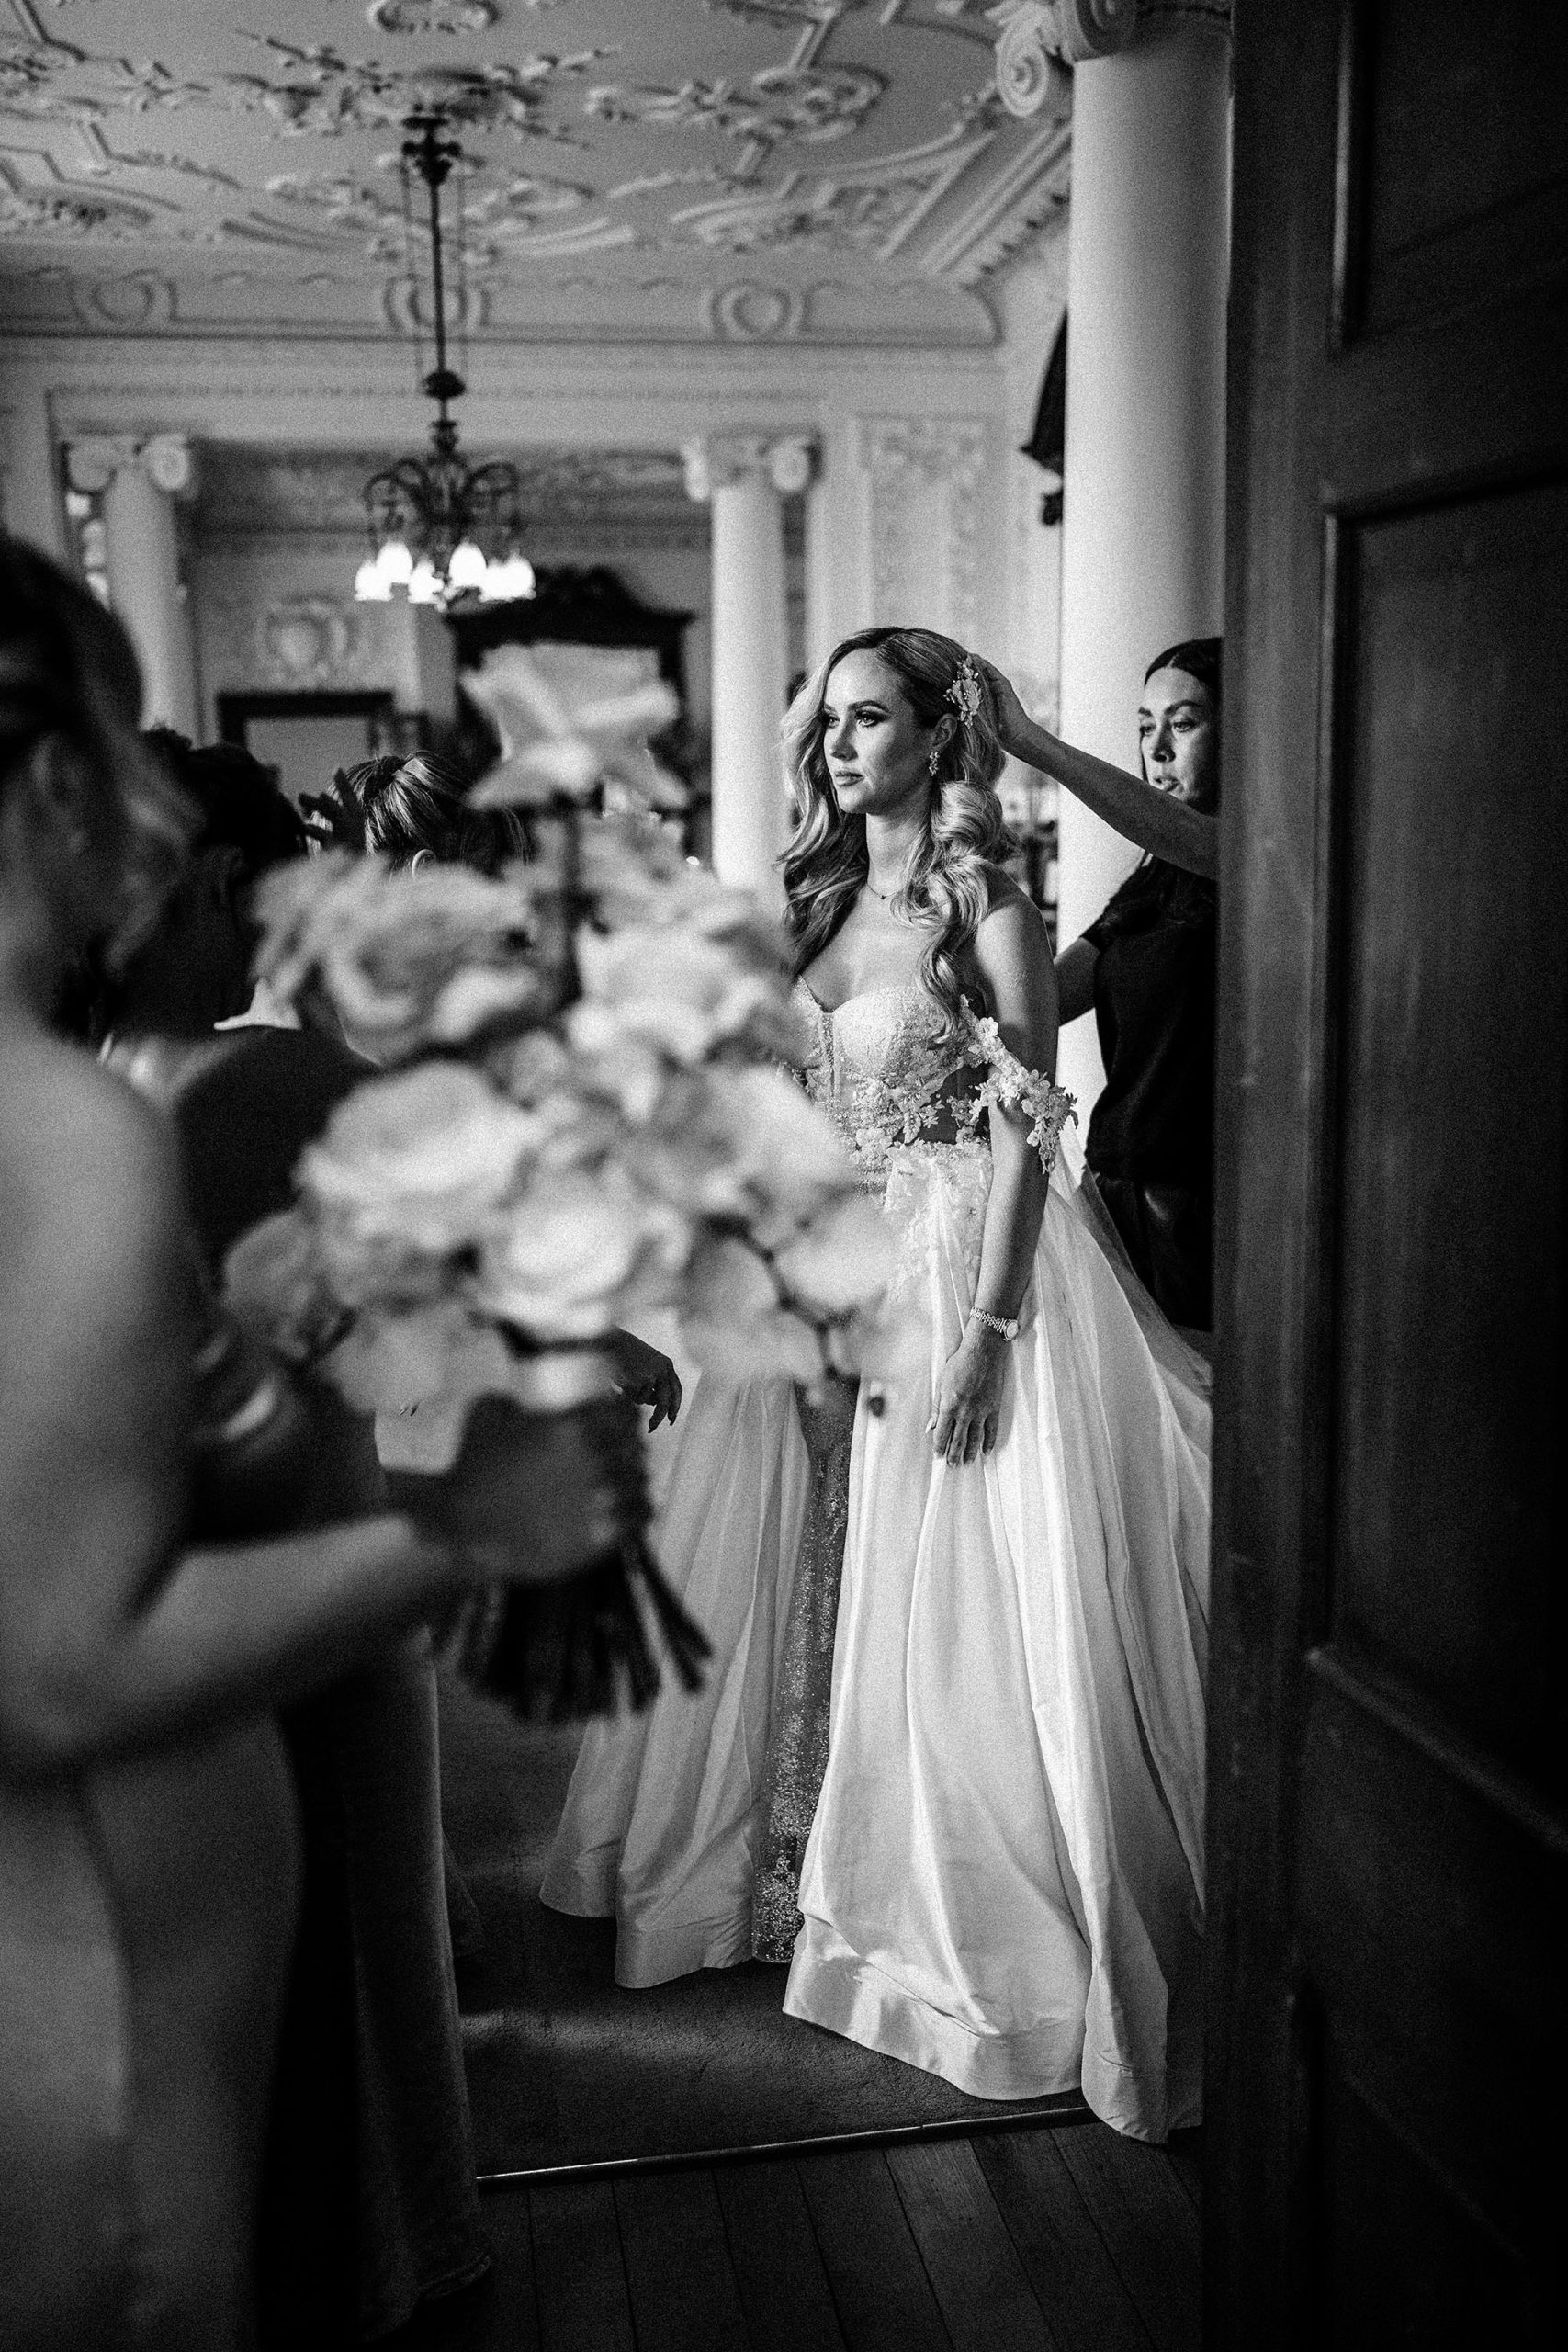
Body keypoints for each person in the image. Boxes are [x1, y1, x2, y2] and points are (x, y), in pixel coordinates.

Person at [0, 541, 613, 2349]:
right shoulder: (75, 1124)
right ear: (53, 781)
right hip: (92, 1906)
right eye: (121, 741)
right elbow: (62, 1660)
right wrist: (481, 1509)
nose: (150, 789)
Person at [546, 627, 1209, 2142]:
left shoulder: (991, 910)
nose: (841, 745)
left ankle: (924, 1898)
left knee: (940, 1601)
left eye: (869, 718)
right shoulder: (800, 903)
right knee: (771, 1562)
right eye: (827, 721)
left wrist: (985, 1336)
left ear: (936, 730)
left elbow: (1024, 1128)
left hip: (945, 1269)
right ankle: (757, 1875)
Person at [981, 644, 1219, 1329]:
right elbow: (1041, 1002)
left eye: (1183, 723)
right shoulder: (1152, 884)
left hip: (1207, 1208)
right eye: (1145, 728)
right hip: (1114, 1189)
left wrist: (1033, 745)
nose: (1159, 751)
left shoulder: (1263, 854)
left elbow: (1201, 845)